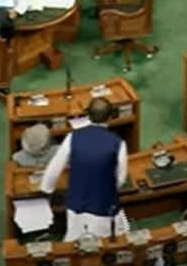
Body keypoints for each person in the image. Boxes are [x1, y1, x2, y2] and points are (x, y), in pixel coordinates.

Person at [39, 97, 129, 241]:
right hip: (103, 203)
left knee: (74, 238)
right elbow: (121, 179)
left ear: (88, 115)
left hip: (76, 201)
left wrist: (47, 189)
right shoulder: (119, 143)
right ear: (110, 117)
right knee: (101, 243)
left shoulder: (72, 137)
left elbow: (54, 168)